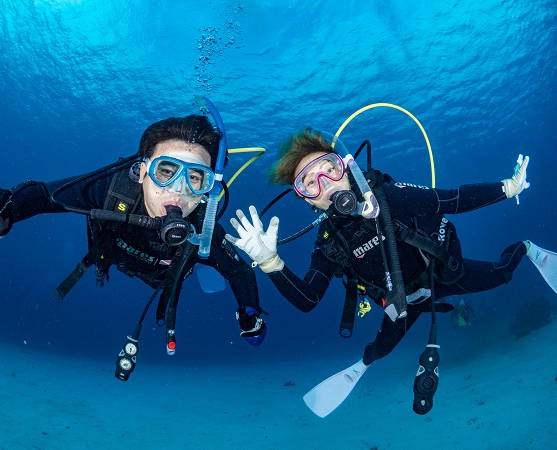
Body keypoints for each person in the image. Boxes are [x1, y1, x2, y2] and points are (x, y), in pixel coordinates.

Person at [225, 127, 554, 415]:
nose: (325, 184)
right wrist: (271, 263)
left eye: (329, 169)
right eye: (310, 184)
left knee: (503, 274)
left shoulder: (389, 197)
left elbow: (452, 199)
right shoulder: (330, 243)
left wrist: (508, 187)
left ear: (346, 168)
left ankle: (526, 247)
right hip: (402, 304)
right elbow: (308, 299)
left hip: (444, 275)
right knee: (378, 350)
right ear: (308, 200)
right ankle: (363, 364)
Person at [0, 113, 267, 380]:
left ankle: (201, 267)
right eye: (166, 171)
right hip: (112, 257)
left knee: (206, 258)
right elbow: (45, 195)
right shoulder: (113, 190)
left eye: (195, 178)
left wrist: (250, 314)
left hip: (164, 276)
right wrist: (6, 212)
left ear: (207, 190)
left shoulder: (204, 227)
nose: (179, 189)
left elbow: (239, 270)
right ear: (142, 171)